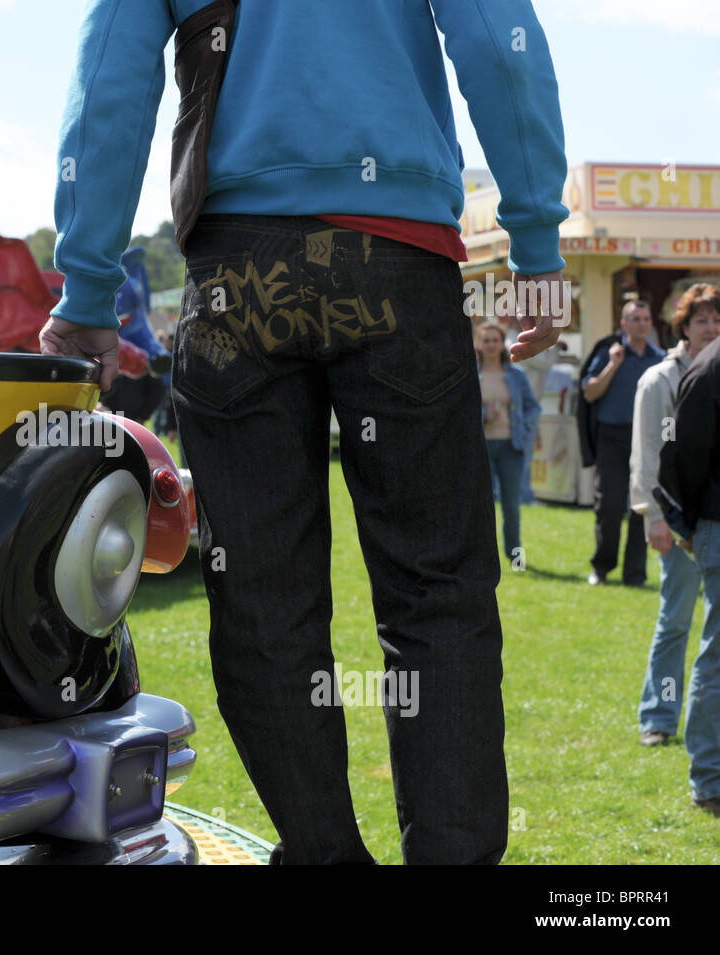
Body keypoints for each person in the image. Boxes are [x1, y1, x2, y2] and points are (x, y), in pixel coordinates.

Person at [41, 0, 566, 864]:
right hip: (400, 260)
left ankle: (322, 852)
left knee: (260, 601)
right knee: (439, 595)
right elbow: (499, 41)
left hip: (235, 268)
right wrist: (538, 241)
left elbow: (109, 83)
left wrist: (90, 287)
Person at [632, 285, 720, 749]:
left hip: (713, 515)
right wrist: (655, 516)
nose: (711, 328)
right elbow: (647, 454)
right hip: (678, 518)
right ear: (684, 326)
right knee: (677, 620)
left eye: (716, 319)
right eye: (702, 320)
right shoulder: (660, 379)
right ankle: (659, 716)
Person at [656, 313, 720, 818]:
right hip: (716, 523)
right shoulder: (707, 369)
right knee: (717, 656)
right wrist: (691, 520)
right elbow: (678, 454)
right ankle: (709, 780)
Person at [580, 300, 664, 585]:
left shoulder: (660, 358)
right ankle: (601, 568)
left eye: (646, 318)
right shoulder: (608, 353)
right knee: (610, 506)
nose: (642, 323)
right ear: (624, 324)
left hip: (646, 440)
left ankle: (635, 575)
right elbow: (589, 393)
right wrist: (613, 365)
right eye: (635, 319)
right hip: (611, 437)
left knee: (642, 506)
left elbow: (671, 402)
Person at [477, 322, 541, 567]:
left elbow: (533, 407)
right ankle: (483, 559)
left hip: (510, 447)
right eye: (486, 340)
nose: (491, 345)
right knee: (483, 506)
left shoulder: (516, 375)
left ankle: (516, 558)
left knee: (512, 505)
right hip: (481, 448)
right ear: (479, 344)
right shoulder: (472, 374)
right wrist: (484, 415)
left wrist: (525, 431)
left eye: (495, 340)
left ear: (502, 343)